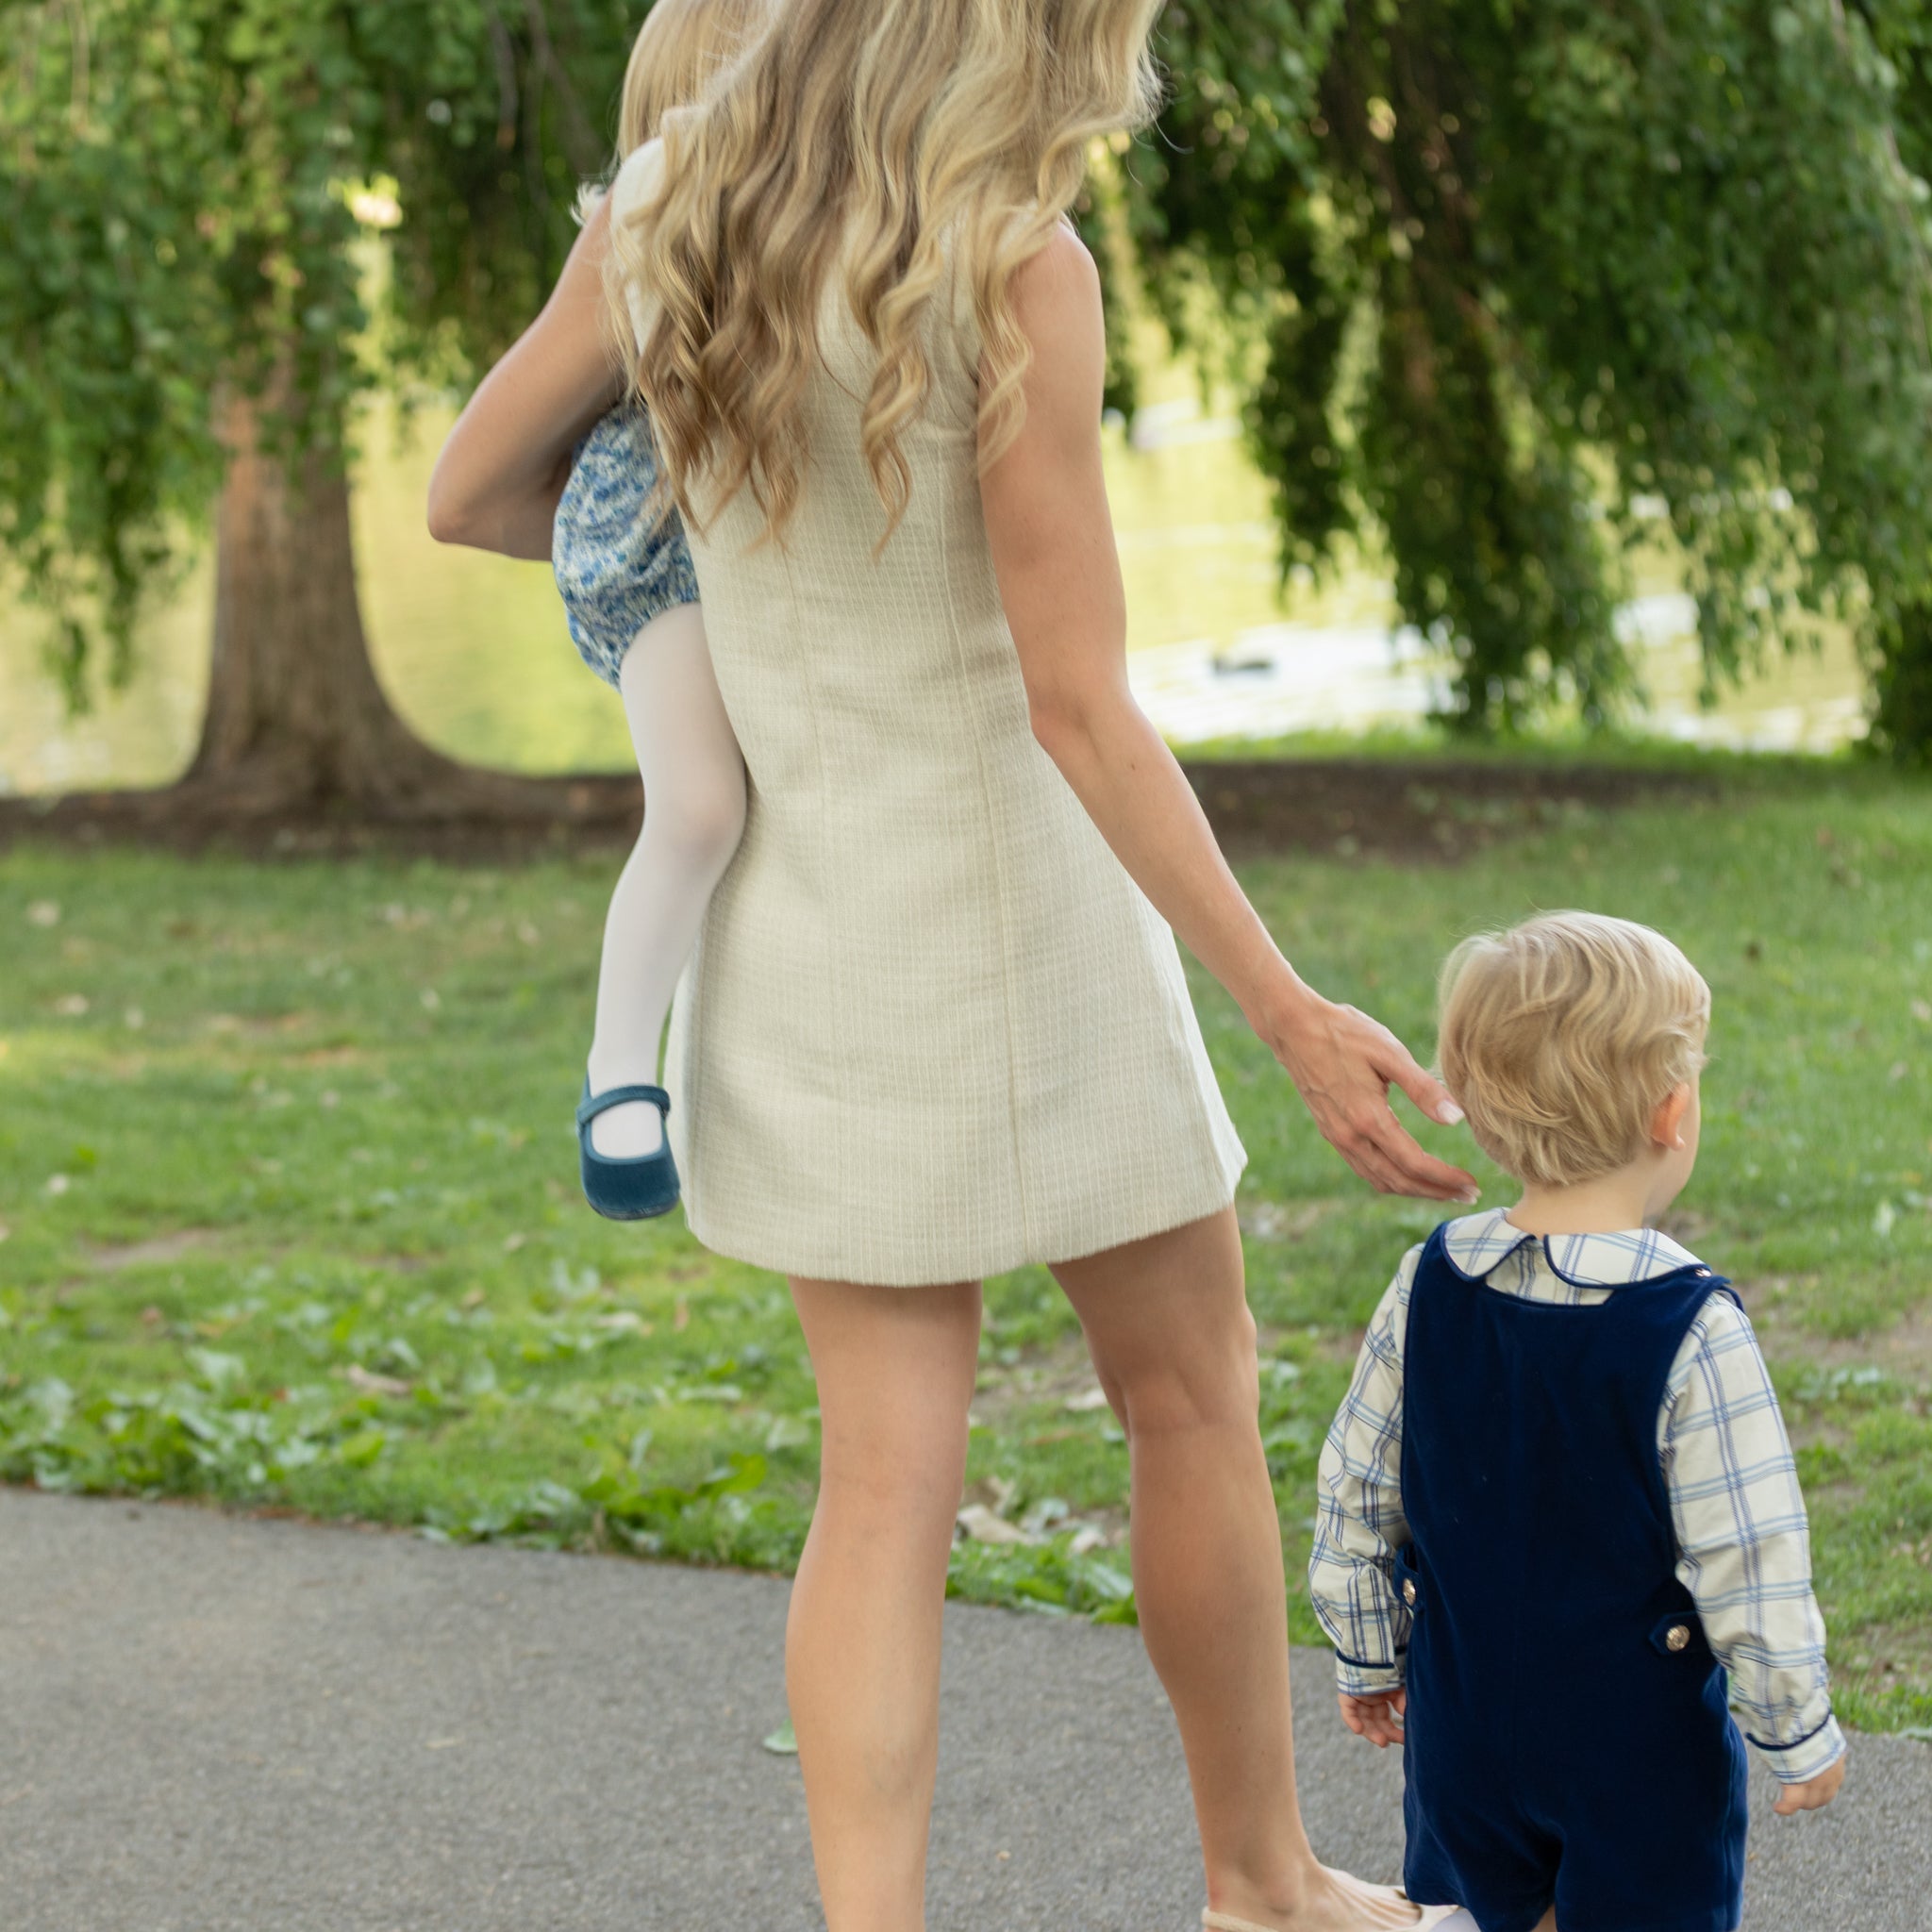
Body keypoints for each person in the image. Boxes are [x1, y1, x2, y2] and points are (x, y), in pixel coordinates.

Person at [429, 2, 1478, 1925]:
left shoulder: (665, 209)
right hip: (1026, 917)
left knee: (884, 1482)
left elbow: (474, 494)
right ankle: (1259, 1883)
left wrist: (698, 612)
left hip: (807, 933)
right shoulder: (1012, 262)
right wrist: (1288, 1010)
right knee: (1186, 1392)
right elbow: (1079, 707)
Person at [1309, 912, 1846, 1932]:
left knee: (1482, 1912)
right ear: (1669, 1108)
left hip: (1462, 1727)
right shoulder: (1687, 1324)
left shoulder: (1428, 1280)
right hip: (1630, 1752)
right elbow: (1749, 1547)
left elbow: (1354, 1485)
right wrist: (1792, 1724)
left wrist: (1368, 1650)